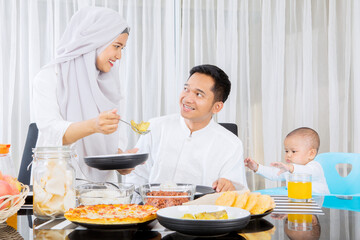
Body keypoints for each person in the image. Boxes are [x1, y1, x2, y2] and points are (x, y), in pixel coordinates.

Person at [33, 7, 133, 182]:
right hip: (58, 185)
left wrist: (121, 161)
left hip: (104, 193)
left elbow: (115, 142)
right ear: (94, 41)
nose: (119, 56)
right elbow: (51, 133)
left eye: (122, 48)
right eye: (116, 46)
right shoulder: (49, 77)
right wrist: (94, 125)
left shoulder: (112, 85)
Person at [126, 64, 248, 192]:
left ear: (217, 107)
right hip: (152, 208)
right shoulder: (155, 127)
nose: (188, 99)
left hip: (201, 210)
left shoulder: (231, 144)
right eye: (186, 89)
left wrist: (229, 187)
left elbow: (238, 192)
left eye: (199, 94)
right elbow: (136, 176)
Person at [244, 127, 329, 194]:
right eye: (286, 151)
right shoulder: (289, 169)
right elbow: (274, 174)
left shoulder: (315, 167)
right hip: (298, 203)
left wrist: (290, 168)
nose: (288, 154)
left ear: (311, 154)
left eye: (293, 151)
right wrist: (257, 168)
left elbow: (306, 172)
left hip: (319, 204)